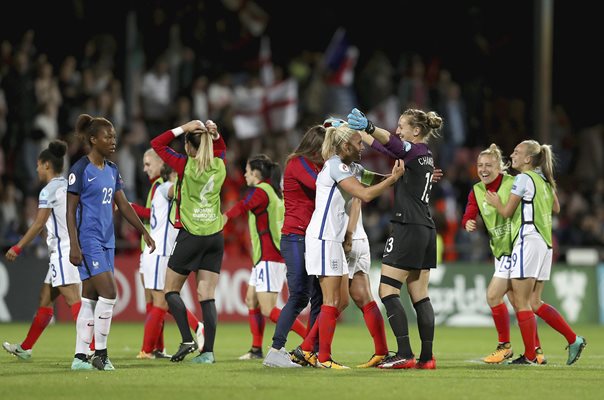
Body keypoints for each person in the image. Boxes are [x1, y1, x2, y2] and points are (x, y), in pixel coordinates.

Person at [300, 120, 404, 369]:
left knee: (339, 300)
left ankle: (310, 351)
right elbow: (366, 194)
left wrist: (408, 175)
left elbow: (378, 177)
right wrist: (393, 180)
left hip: (332, 239)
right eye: (358, 143)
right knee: (331, 300)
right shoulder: (335, 166)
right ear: (345, 145)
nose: (362, 147)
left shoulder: (350, 167)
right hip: (323, 238)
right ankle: (322, 358)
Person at [347, 107, 440, 369]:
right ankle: (426, 358)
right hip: (425, 228)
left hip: (407, 226)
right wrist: (356, 128)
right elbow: (384, 147)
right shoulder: (425, 156)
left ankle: (404, 353)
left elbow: (390, 141)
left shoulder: (415, 150)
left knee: (386, 290)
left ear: (416, 130)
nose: (398, 130)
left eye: (402, 125)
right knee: (420, 294)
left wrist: (369, 125)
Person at [67, 114, 156, 371]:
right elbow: (70, 211)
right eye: (108, 137)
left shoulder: (113, 170)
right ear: (93, 140)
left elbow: (123, 205)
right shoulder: (80, 169)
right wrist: (74, 244)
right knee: (110, 292)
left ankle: (80, 357)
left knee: (90, 298)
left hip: (107, 241)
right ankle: (101, 354)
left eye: (114, 136)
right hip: (89, 239)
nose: (113, 141)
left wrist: (143, 231)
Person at [485, 139, 586, 365]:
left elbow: (507, 211)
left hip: (528, 241)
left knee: (521, 302)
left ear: (528, 159)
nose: (512, 155)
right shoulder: (543, 180)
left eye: (517, 152)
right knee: (534, 301)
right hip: (546, 243)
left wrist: (495, 202)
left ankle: (531, 356)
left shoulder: (523, 178)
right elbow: (556, 207)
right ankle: (573, 339)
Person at [461, 143, 546, 364]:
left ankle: (505, 347)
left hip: (517, 246)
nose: (483, 169)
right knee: (520, 303)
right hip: (500, 251)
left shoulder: (513, 182)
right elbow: (470, 210)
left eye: (489, 165)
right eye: (480, 165)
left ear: (500, 167)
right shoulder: (477, 190)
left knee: (494, 295)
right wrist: (468, 221)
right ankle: (535, 351)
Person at [150, 119, 226, 364]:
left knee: (170, 290)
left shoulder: (185, 166)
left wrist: (183, 127)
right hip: (214, 236)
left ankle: (187, 339)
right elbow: (221, 148)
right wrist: (215, 134)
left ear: (188, 146)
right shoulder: (220, 165)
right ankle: (209, 353)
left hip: (191, 234)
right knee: (207, 295)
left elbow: (157, 144)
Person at [2, 140, 82, 360]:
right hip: (70, 248)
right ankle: (26, 348)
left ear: (47, 165)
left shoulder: (49, 191)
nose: (36, 169)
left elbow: (38, 224)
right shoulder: (69, 185)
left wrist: (17, 247)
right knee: (45, 298)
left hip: (63, 251)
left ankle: (93, 349)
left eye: (38, 165)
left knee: (74, 300)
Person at [223, 154, 307, 360]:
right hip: (265, 257)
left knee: (269, 309)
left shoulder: (260, 191)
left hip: (270, 258)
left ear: (256, 173)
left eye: (247, 170)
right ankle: (255, 349)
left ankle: (311, 338)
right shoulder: (273, 192)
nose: (244, 174)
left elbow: (243, 205)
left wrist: (223, 218)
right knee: (251, 300)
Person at [130, 149, 204, 359]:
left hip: (159, 252)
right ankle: (157, 347)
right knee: (159, 301)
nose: (145, 169)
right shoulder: (163, 187)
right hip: (158, 251)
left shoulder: (161, 187)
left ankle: (148, 349)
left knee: (160, 301)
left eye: (147, 164)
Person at [262, 125, 326, 368]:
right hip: (295, 237)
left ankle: (311, 351)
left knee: (318, 297)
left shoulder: (315, 165)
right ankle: (276, 350)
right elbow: (320, 185)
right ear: (316, 147)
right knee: (299, 296)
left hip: (308, 238)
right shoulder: (298, 163)